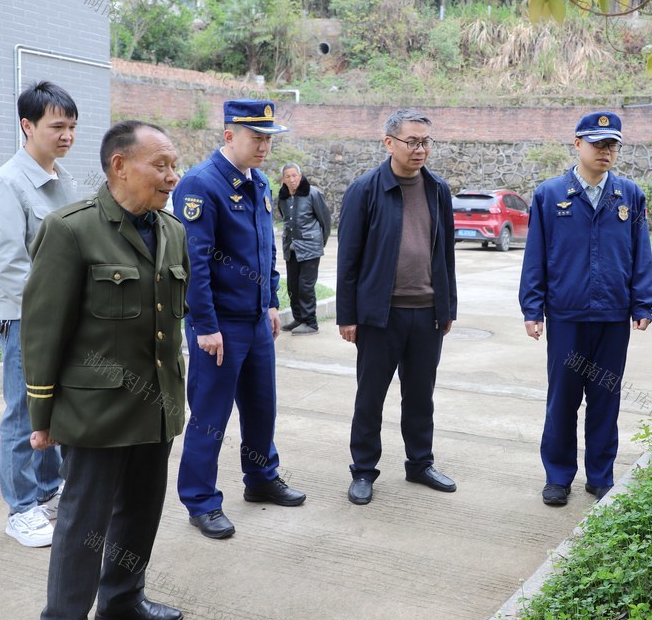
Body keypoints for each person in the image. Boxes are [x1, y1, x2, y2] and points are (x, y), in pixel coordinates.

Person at [22, 121, 187, 620]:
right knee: (83, 522)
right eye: (160, 165)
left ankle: (121, 598)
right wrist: (42, 416)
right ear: (120, 166)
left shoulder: (172, 231)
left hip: (154, 405)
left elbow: (169, 322)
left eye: (174, 166)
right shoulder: (71, 229)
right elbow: (44, 330)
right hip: (94, 411)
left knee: (141, 511)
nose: (173, 177)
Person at [174, 99, 305, 540]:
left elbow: (266, 249)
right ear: (229, 135)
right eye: (256, 138)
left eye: (268, 139)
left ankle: (261, 478)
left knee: (262, 407)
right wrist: (206, 325)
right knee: (210, 416)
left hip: (255, 320)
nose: (264, 147)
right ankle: (200, 500)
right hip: (220, 325)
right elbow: (194, 263)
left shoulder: (260, 181)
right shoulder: (200, 183)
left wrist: (271, 301)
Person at [519, 111, 652, 507]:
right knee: (563, 399)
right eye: (597, 144)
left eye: (612, 145)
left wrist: (643, 301)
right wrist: (532, 308)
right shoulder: (550, 194)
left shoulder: (629, 195)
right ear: (577, 144)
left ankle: (600, 476)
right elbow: (535, 255)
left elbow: (641, 253)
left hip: (613, 315)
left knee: (605, 399)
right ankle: (558, 477)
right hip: (567, 315)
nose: (605, 151)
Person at [337, 108, 458, 505]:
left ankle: (420, 464)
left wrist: (447, 306)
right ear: (389, 143)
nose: (420, 149)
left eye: (426, 142)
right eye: (412, 142)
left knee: (421, 396)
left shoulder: (437, 189)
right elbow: (348, 258)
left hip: (427, 313)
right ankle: (363, 470)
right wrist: (347, 316)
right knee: (370, 396)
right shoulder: (365, 189)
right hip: (380, 315)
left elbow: (446, 253)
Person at [0, 80, 78, 547]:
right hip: (28, 321)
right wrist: (54, 314)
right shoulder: (6, 184)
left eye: (72, 126)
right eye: (57, 126)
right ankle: (20, 509)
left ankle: (47, 492)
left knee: (53, 411)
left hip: (66, 318)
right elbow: (10, 268)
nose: (67, 135)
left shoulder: (66, 182)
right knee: (24, 414)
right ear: (27, 125)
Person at [277, 162, 331, 335]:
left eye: (295, 175)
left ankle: (310, 322)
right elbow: (285, 219)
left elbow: (325, 222)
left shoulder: (313, 193)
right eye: (288, 176)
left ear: (300, 176)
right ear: (283, 179)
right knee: (292, 286)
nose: (292, 179)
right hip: (291, 248)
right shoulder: (283, 197)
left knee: (305, 287)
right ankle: (299, 318)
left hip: (310, 248)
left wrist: (319, 244)